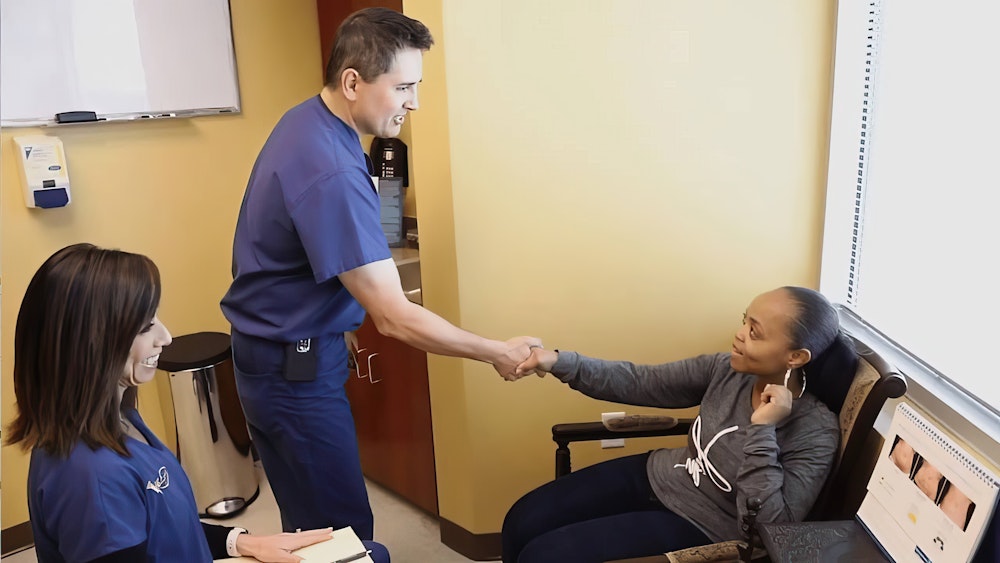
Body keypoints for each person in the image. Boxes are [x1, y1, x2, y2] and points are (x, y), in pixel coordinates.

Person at [220, 6, 541, 543]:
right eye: (403, 88)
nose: (413, 103)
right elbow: (393, 319)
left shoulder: (306, 120)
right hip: (293, 368)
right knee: (341, 534)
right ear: (352, 82)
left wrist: (339, 322)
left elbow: (301, 247)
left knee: (304, 525)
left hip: (268, 352)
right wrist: (496, 352)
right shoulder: (334, 170)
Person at [5, 243, 338, 562]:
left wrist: (243, 542)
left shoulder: (118, 420)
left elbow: (163, 530)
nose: (165, 337)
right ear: (91, 345)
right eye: (147, 326)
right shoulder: (93, 481)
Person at [502, 286, 859, 563]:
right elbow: (640, 381)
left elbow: (772, 528)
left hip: (704, 522)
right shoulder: (725, 369)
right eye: (744, 320)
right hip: (662, 474)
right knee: (521, 520)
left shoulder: (816, 432)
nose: (738, 334)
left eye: (755, 332)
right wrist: (557, 362)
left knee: (544, 555)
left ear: (795, 357)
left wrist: (763, 428)